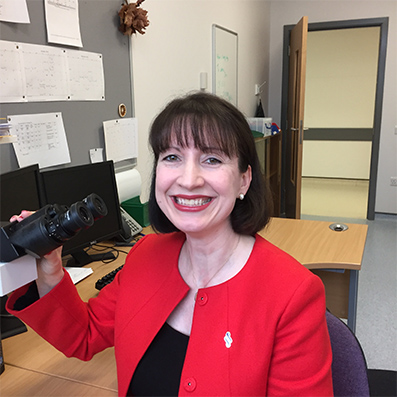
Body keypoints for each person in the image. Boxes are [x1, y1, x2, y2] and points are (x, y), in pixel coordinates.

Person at [7, 92, 333, 396]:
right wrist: (50, 273)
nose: (188, 180)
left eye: (212, 160)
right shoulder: (145, 255)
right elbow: (85, 336)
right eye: (173, 157)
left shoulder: (293, 294)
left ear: (243, 180)